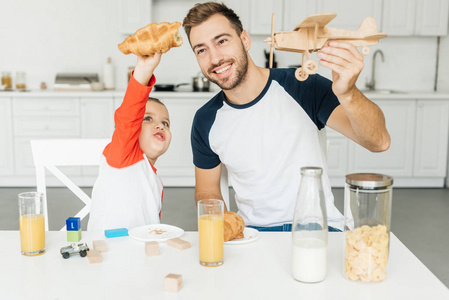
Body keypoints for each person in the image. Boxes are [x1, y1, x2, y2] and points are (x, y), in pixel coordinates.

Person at [182, 2, 390, 231]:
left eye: (222, 41)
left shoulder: (303, 86)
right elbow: (207, 190)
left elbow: (379, 142)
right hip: (254, 233)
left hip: (318, 227)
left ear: (245, 40)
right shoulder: (206, 119)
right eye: (201, 50)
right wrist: (223, 225)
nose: (214, 58)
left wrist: (348, 93)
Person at [87, 52, 172, 231]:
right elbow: (128, 117)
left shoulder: (155, 179)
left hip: (139, 253)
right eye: (148, 119)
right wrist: (143, 71)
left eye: (165, 123)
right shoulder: (122, 156)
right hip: (107, 251)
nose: (160, 126)